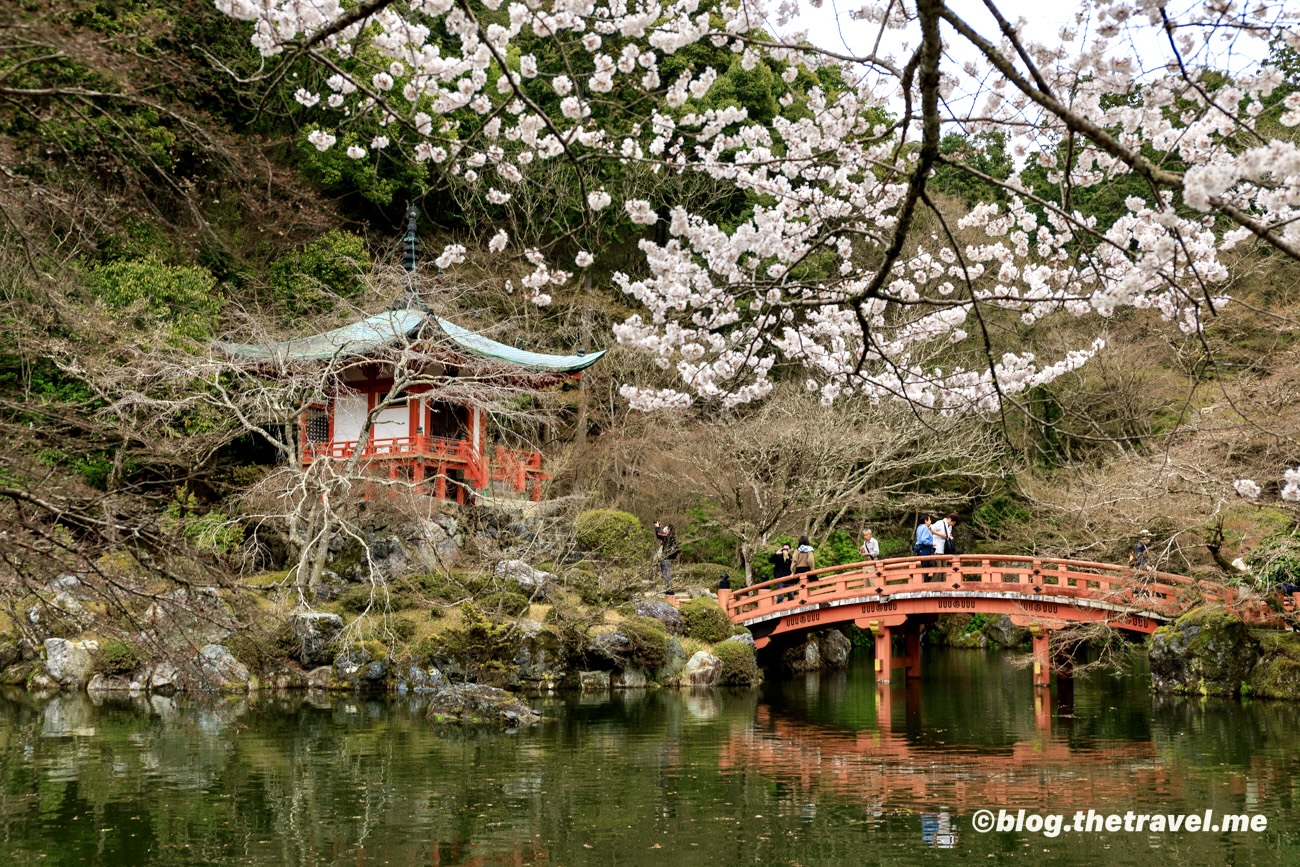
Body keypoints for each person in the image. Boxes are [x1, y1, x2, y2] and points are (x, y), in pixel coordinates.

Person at [654, 520, 677, 592]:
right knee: (666, 573)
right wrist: (659, 527)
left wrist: (657, 527)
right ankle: (668, 588)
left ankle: (669, 590)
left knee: (666, 573)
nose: (664, 528)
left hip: (666, 558)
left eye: (666, 527)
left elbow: (659, 534)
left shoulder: (668, 536)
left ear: (668, 530)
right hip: (668, 558)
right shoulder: (671, 537)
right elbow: (661, 534)